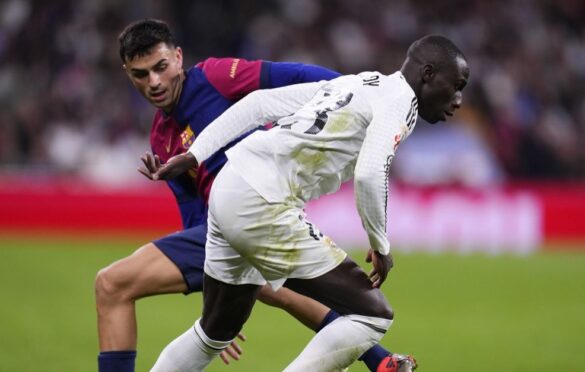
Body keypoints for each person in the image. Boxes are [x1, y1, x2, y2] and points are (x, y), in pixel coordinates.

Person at [95, 19, 411, 372]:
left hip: (259, 200)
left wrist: (351, 96)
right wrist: (216, 299)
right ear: (127, 73)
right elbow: (194, 218)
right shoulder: (161, 139)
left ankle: (378, 358)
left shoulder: (214, 76)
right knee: (275, 291)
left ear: (179, 57)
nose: (154, 82)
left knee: (112, 285)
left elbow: (293, 75)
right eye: (141, 74)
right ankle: (381, 361)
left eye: (161, 67)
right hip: (225, 226)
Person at [146, 34, 469, 371]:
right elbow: (370, 174)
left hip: (231, 183)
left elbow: (259, 104)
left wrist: (196, 152)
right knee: (372, 315)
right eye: (457, 85)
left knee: (213, 332)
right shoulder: (401, 102)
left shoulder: (358, 83)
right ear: (428, 74)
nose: (459, 99)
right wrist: (381, 245)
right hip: (262, 201)